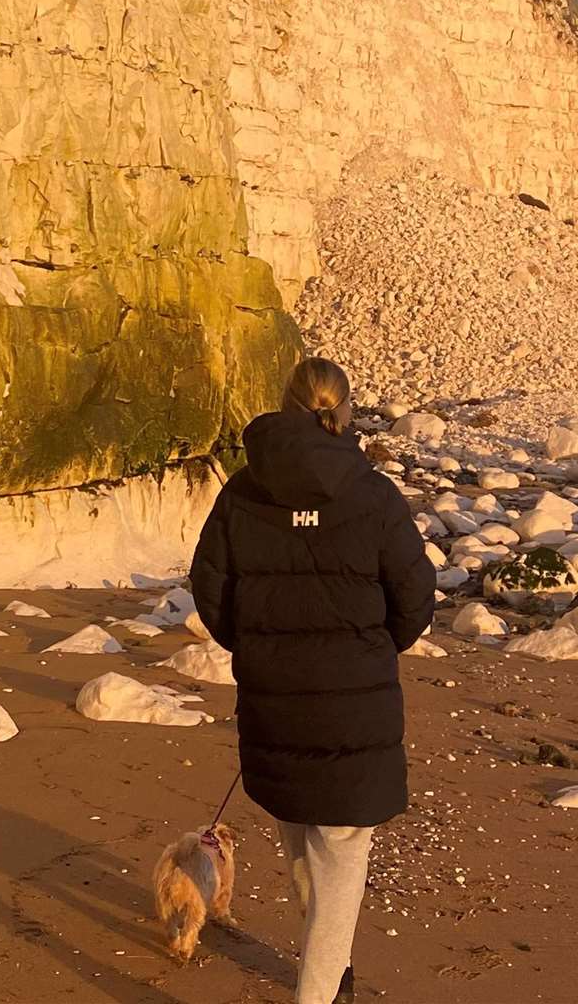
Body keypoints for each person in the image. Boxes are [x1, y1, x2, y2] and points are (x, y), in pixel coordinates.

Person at [190, 357, 436, 1004]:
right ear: (344, 410)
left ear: (286, 402)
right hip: (353, 707)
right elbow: (415, 598)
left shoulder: (242, 492)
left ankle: (336, 972)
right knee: (340, 854)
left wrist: (259, 651)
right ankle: (322, 993)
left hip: (275, 698)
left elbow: (212, 593)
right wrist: (372, 651)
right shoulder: (373, 495)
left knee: (304, 836)